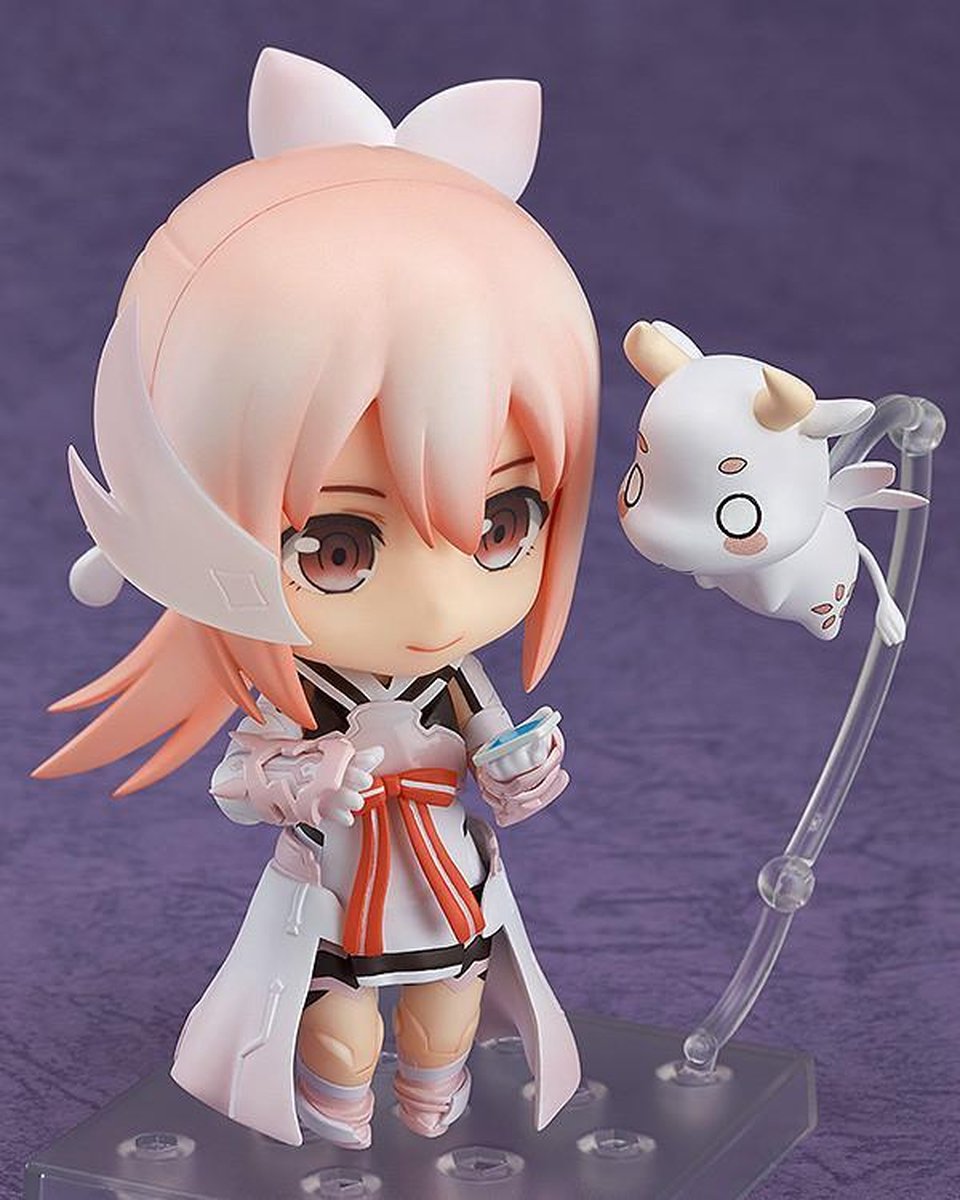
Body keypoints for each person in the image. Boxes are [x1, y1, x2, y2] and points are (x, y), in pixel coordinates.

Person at [34, 49, 599, 1149]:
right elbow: (237, 782)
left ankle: (429, 1118)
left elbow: (497, 751)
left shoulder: (458, 679)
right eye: (341, 546)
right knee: (339, 1039)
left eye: (499, 526)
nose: (435, 602)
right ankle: (341, 1126)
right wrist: (299, 778)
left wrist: (519, 772)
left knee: (447, 1020)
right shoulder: (301, 688)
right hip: (337, 894)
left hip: (450, 885)